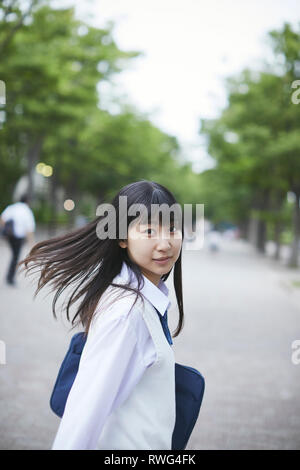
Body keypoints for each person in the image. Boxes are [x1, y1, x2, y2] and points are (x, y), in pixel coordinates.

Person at [18, 180, 184, 450]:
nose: (165, 243)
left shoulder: (143, 300)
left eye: (172, 228)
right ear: (121, 237)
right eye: (150, 231)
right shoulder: (126, 314)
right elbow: (82, 416)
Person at [0, 194, 36, 286]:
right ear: (27, 201)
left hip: (10, 236)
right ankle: (10, 278)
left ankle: (9, 277)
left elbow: (2, 219)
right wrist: (32, 243)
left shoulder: (12, 207)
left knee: (14, 256)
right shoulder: (27, 211)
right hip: (18, 238)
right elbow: (29, 229)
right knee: (15, 257)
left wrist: (5, 231)